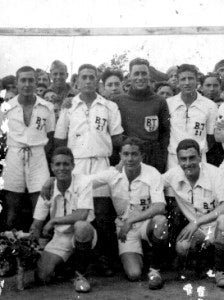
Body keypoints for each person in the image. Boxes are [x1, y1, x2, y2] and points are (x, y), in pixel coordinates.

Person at [54, 63, 124, 275]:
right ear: (77, 82)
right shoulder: (68, 106)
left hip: (101, 162)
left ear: (97, 81)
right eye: (83, 77)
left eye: (91, 77)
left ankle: (101, 260)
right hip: (77, 166)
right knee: (78, 213)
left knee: (102, 214)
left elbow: (118, 138)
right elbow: (59, 140)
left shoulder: (109, 106)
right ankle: (78, 261)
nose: (87, 81)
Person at [90, 137, 168, 289]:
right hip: (125, 229)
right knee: (134, 274)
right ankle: (142, 255)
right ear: (120, 156)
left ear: (142, 156)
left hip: (146, 223)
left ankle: (155, 270)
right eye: (126, 154)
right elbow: (84, 182)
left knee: (161, 221)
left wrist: (131, 221)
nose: (130, 158)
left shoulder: (152, 173)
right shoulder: (112, 173)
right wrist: (52, 180)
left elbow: (159, 206)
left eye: (134, 154)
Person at [30, 147, 96, 292]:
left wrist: (54, 221)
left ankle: (81, 275)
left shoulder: (83, 181)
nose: (62, 168)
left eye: (66, 164)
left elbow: (82, 215)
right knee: (42, 277)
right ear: (51, 167)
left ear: (73, 165)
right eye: (57, 164)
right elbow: (37, 222)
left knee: (81, 226)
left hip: (84, 233)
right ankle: (68, 266)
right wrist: (29, 242)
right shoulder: (47, 188)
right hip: (60, 237)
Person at [163, 139, 224, 287]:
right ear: (178, 160)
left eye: (192, 157)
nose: (188, 163)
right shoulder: (173, 175)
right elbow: (152, 183)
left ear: (200, 156)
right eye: (183, 159)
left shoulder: (215, 173)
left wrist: (197, 222)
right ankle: (204, 263)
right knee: (182, 246)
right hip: (199, 231)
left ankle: (221, 271)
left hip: (216, 226)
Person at [0, 66, 55, 230]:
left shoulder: (47, 107)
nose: (27, 84)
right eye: (23, 80)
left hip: (38, 156)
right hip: (14, 156)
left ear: (36, 82)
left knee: (41, 206)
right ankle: (11, 249)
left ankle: (39, 249)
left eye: (31, 80)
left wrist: (38, 154)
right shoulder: (6, 107)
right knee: (12, 209)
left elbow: (51, 137)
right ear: (17, 83)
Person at [113, 58, 170, 174]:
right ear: (129, 76)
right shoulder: (118, 101)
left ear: (149, 75)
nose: (140, 77)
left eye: (144, 73)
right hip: (128, 157)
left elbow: (165, 134)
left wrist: (162, 160)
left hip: (152, 157)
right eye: (136, 74)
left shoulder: (159, 101)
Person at [166, 64, 218, 170]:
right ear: (177, 81)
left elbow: (211, 136)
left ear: (197, 80)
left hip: (198, 159)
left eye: (190, 78)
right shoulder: (168, 103)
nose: (187, 83)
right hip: (173, 159)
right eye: (183, 79)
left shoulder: (210, 105)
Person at [200, 73, 224, 167]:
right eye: (208, 85)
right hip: (204, 147)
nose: (212, 89)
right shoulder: (197, 106)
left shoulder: (222, 106)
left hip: (220, 147)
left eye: (215, 85)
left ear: (220, 87)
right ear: (201, 87)